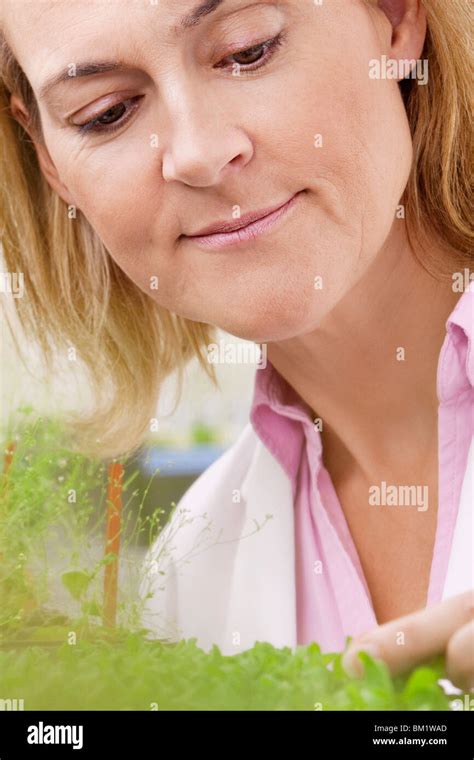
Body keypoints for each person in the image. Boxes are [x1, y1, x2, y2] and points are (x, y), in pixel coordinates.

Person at [1, 0, 472, 689]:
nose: (196, 153)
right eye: (106, 113)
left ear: (394, 17)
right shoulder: (190, 571)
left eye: (248, 51)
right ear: (50, 159)